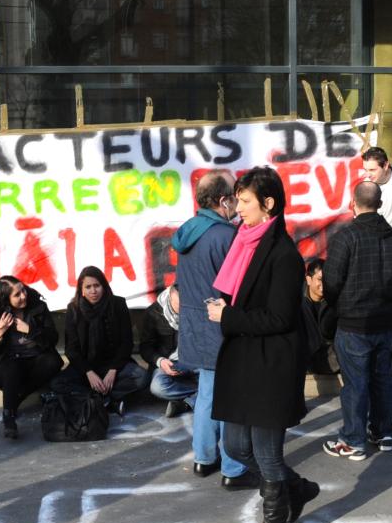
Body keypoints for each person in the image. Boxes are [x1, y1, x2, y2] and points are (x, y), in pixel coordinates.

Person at [206, 167, 318, 523]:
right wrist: (227, 309)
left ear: (268, 204)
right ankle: (297, 488)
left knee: (267, 454)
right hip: (244, 362)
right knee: (236, 446)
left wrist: (229, 316)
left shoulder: (284, 254)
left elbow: (280, 318)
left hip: (272, 366)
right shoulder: (245, 243)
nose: (238, 208)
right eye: (237, 200)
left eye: (245, 201)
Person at [171, 170, 254, 487]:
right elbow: (239, 286)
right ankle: (234, 468)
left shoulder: (188, 231)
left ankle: (204, 458)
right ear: (223, 200)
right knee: (232, 397)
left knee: (207, 392)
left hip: (196, 327)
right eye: (234, 196)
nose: (238, 203)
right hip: (222, 325)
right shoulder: (226, 236)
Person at [322, 181, 392, 460]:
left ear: (353, 203)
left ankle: (353, 440)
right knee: (382, 378)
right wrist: (388, 297)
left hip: (353, 324)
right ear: (380, 204)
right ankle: (383, 431)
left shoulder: (345, 238)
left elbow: (331, 283)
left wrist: (340, 304)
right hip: (385, 322)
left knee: (356, 383)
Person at [52, 266, 148, 415]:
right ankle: (108, 401)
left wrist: (113, 370)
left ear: (104, 286)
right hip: (86, 367)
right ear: (81, 290)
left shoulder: (118, 304)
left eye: (97, 285)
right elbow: (71, 349)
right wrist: (88, 372)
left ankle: (94, 400)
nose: (93, 291)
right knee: (57, 383)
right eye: (88, 287)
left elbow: (126, 342)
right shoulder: (74, 309)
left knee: (141, 377)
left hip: (113, 365)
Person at [0, 275, 62, 440]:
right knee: (12, 369)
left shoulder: (38, 307)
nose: (23, 296)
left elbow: (52, 339)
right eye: (17, 295)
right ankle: (9, 419)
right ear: (5, 299)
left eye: (23, 290)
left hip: (35, 358)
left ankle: (15, 400)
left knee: (53, 361)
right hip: (8, 362)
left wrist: (30, 330)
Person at [140, 284, 197, 418]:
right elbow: (145, 347)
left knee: (218, 378)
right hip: (170, 362)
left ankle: (187, 403)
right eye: (179, 305)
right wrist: (160, 361)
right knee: (158, 387)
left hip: (195, 361)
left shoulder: (196, 309)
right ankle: (200, 393)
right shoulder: (153, 313)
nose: (183, 309)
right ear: (170, 298)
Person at [301, 258, 337, 376]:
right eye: (320, 279)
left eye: (326, 280)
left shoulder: (334, 300)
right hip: (307, 356)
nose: (323, 284)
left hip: (330, 354)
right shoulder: (298, 302)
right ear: (309, 279)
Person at [360, 146, 392, 233]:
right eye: (365, 170)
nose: (368, 175)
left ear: (385, 165)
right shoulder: (366, 186)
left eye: (372, 170)